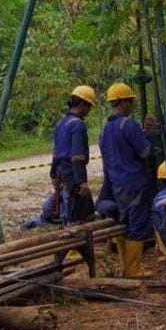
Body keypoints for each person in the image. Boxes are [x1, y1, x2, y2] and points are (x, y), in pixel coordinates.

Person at [99, 82, 155, 277]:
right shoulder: (129, 125)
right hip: (135, 182)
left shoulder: (105, 129)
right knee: (137, 225)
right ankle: (133, 271)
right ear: (123, 102)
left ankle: (125, 267)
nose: (132, 105)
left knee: (123, 225)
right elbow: (145, 152)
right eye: (130, 101)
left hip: (117, 184)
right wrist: (151, 135)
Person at [22, 84, 97, 229]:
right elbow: (77, 157)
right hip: (73, 174)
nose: (89, 110)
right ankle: (74, 238)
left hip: (62, 172)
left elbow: (56, 152)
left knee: (86, 209)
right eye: (89, 106)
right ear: (82, 104)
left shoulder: (61, 123)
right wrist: (81, 181)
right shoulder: (78, 125)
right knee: (76, 215)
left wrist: (53, 175)